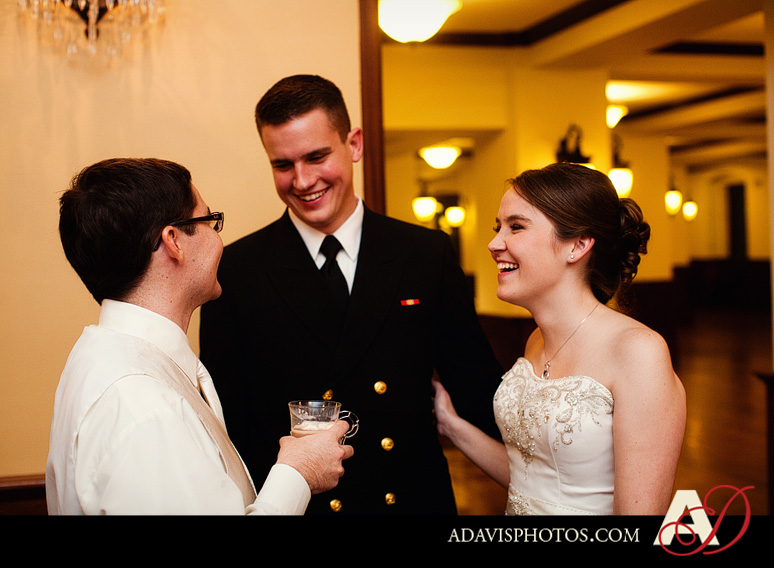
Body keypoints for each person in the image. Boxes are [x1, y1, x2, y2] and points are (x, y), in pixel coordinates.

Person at [199, 74, 503, 515]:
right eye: (282, 165)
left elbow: (475, 387)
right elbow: (228, 422)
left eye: (316, 157)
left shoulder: (424, 253)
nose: (302, 180)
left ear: (354, 144)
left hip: (410, 502)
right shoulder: (236, 269)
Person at [46, 158, 353, 515]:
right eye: (210, 221)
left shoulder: (107, 357)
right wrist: (297, 473)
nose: (218, 239)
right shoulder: (142, 407)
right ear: (173, 241)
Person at [432, 162, 686, 515]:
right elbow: (533, 483)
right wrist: (451, 424)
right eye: (497, 227)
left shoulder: (639, 351)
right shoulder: (536, 340)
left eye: (516, 227)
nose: (493, 243)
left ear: (577, 245)